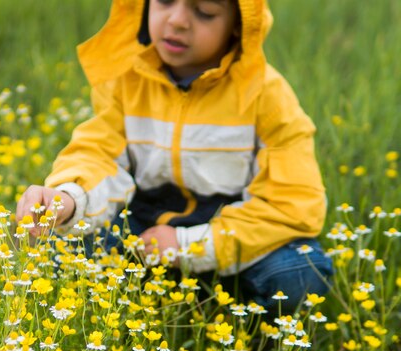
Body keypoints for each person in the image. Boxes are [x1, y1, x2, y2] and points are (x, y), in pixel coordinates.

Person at [16, 0, 333, 315]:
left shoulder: (267, 95)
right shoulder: (126, 75)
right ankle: (163, 292)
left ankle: (228, 313)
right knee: (62, 248)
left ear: (239, 24)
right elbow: (98, 154)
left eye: (204, 12)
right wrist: (68, 199)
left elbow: (291, 201)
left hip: (233, 236)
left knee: (300, 274)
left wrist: (191, 247)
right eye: (165, 1)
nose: (178, 20)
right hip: (146, 232)